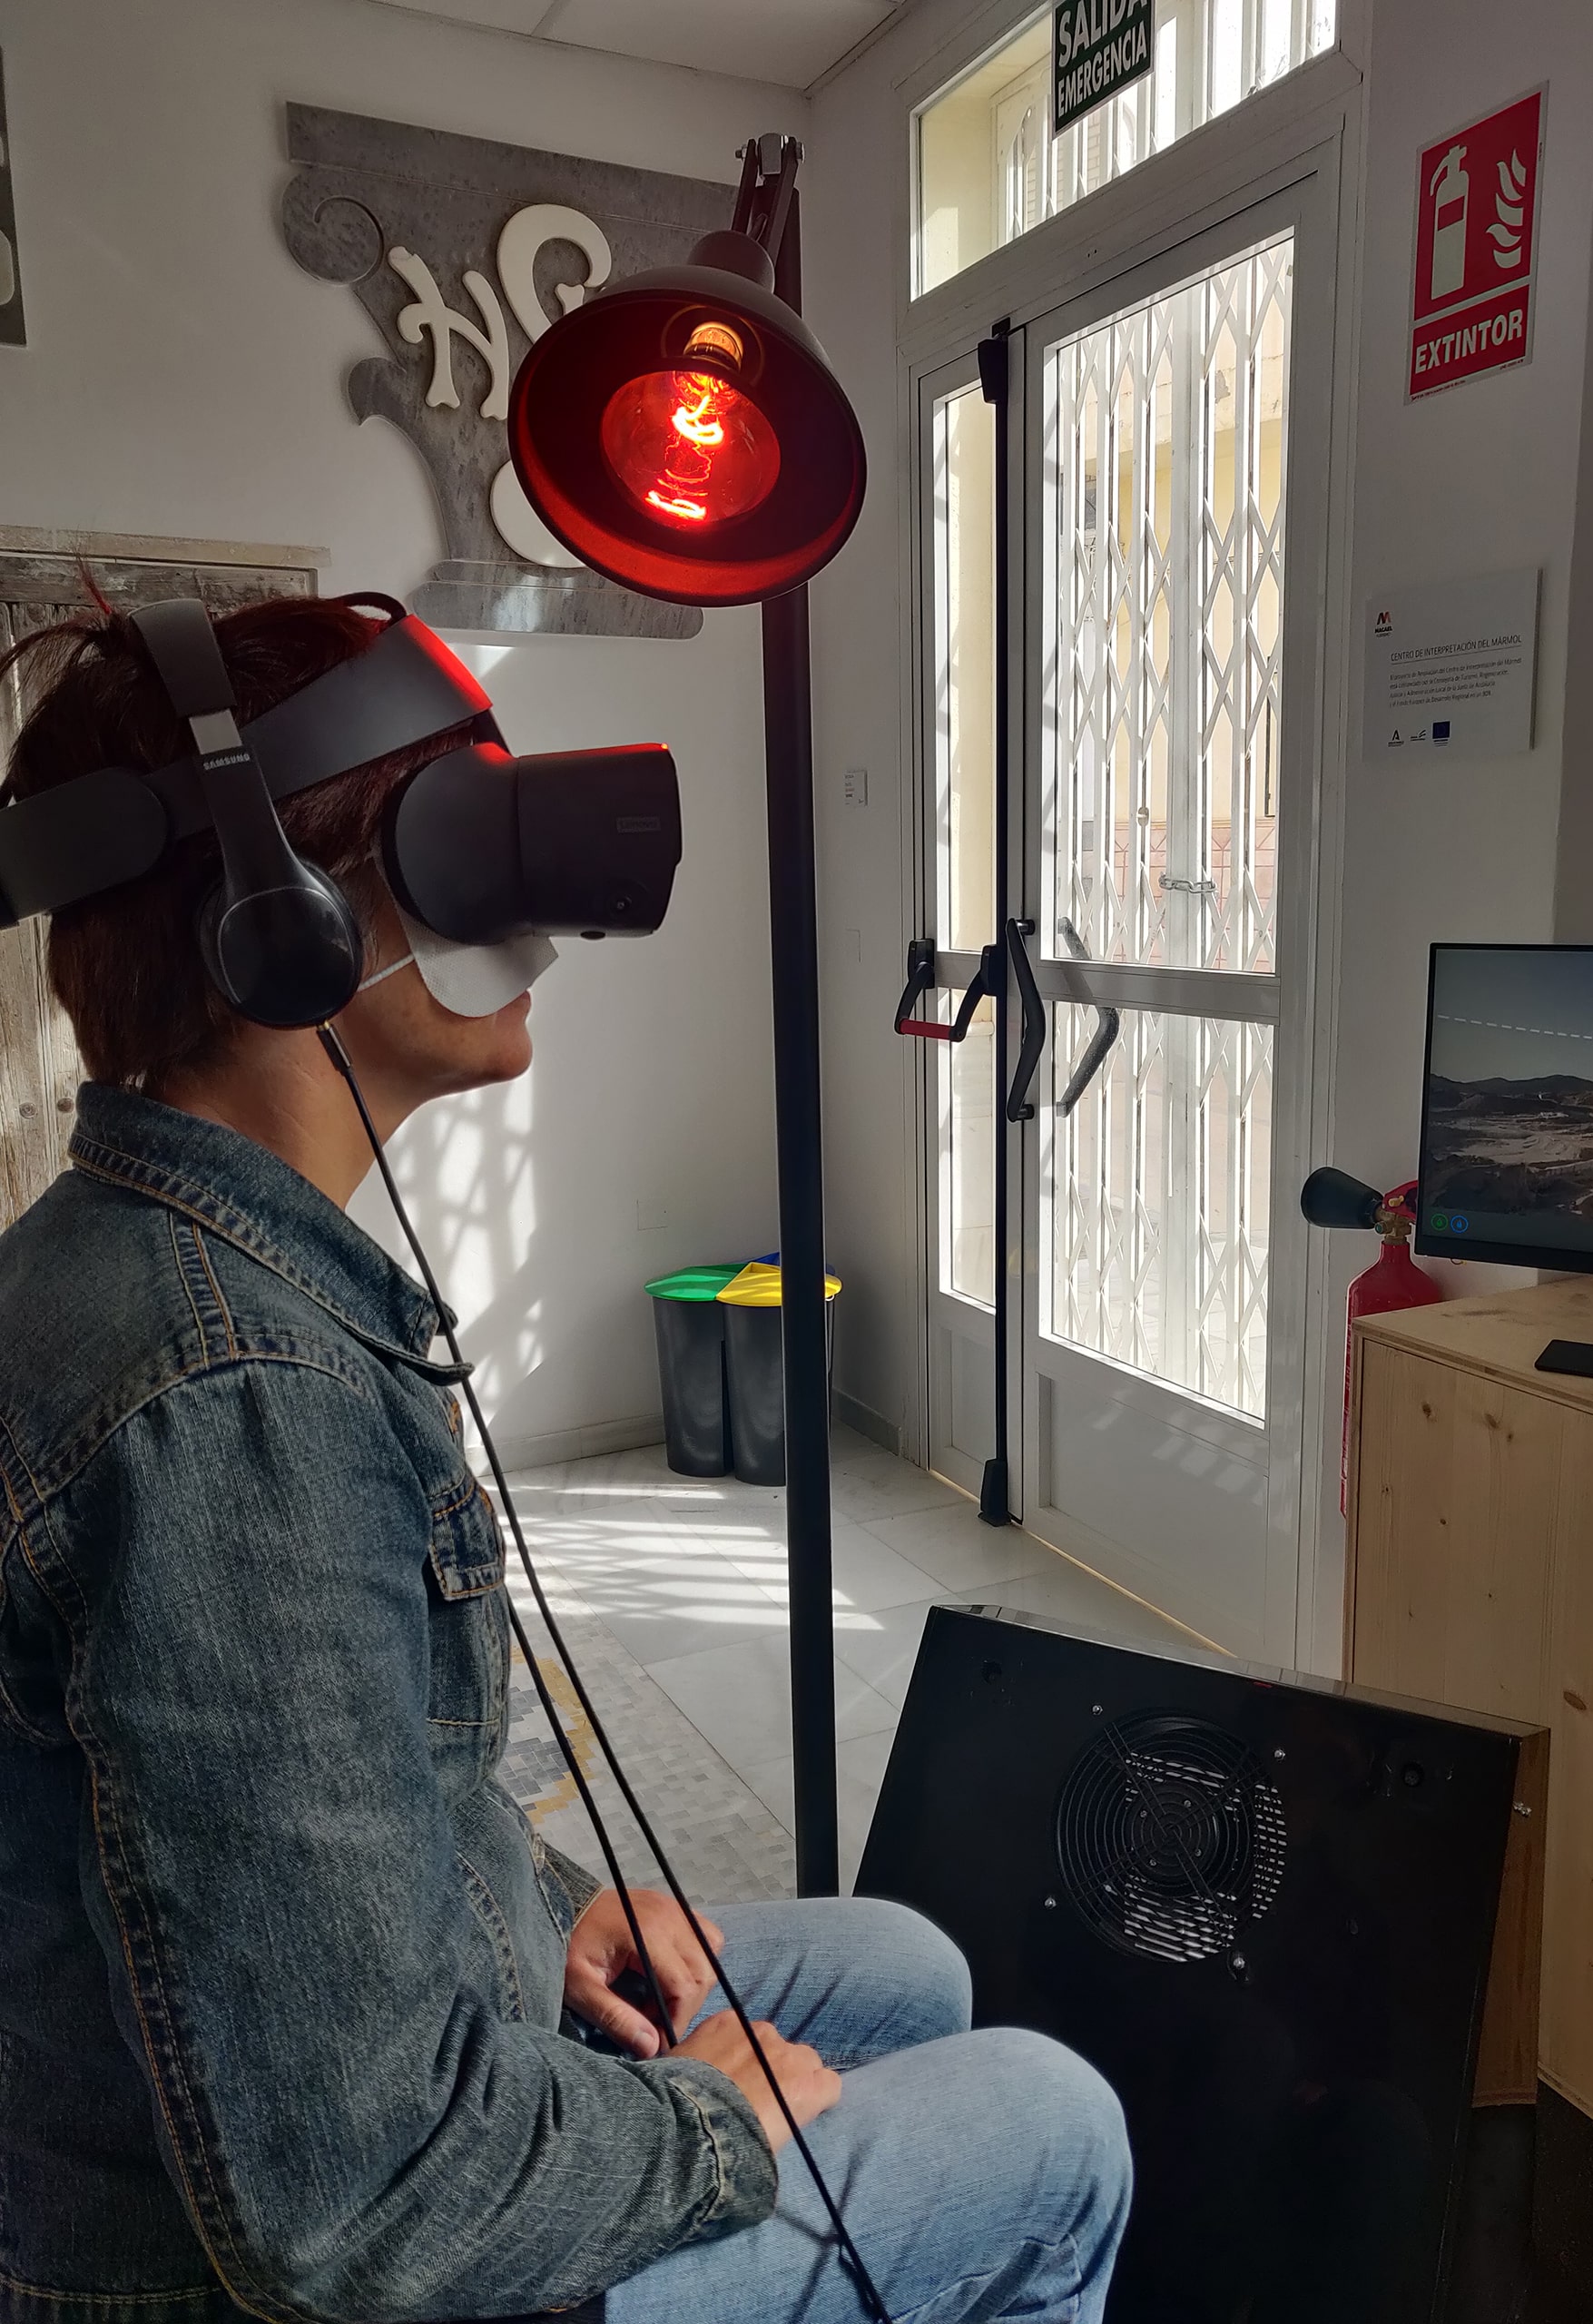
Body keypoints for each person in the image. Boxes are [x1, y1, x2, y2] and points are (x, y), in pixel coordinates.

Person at [0, 592, 1133, 2324]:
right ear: (285, 923)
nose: (535, 913)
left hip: (260, 2123)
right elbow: (362, 2201)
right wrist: (712, 2131)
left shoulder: (141, 1257)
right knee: (1055, 2128)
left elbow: (315, 1829)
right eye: (467, 840)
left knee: (903, 1961)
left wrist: (555, 1909)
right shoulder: (228, 1403)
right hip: (256, 2269)